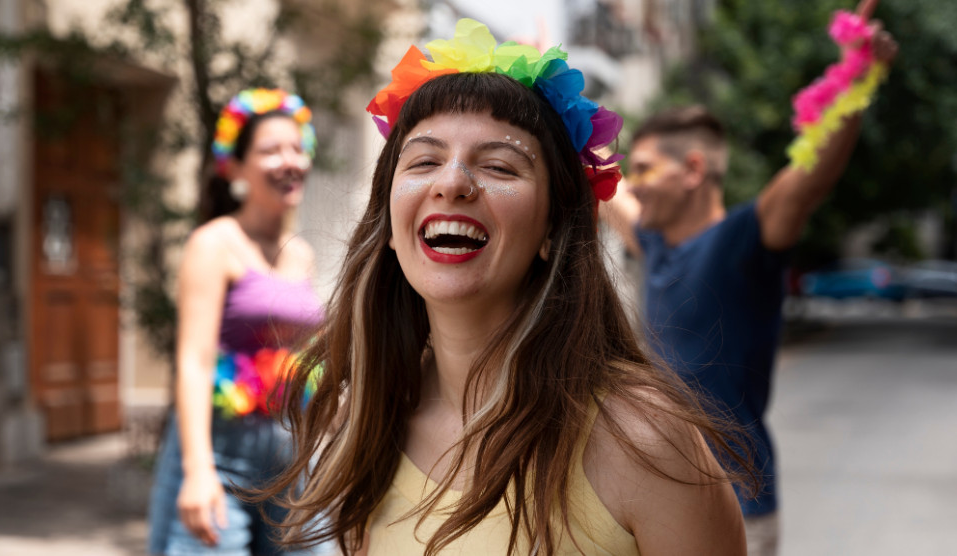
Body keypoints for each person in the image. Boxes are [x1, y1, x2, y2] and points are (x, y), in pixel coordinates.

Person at [255, 19, 753, 555]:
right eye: (424, 160)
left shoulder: (645, 442)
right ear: (391, 226)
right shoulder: (361, 425)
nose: (452, 183)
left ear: (552, 230)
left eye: (499, 165)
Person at [600, 16, 899, 556]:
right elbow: (600, 182)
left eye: (643, 169)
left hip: (739, 505)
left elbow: (810, 177)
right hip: (657, 498)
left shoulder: (742, 238)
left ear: (693, 169)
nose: (634, 184)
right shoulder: (657, 244)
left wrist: (857, 78)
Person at [148, 88, 323, 555]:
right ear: (236, 167)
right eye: (271, 150)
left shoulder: (301, 254)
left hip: (292, 453)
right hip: (222, 449)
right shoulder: (214, 243)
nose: (290, 160)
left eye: (296, 147)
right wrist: (198, 470)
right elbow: (194, 359)